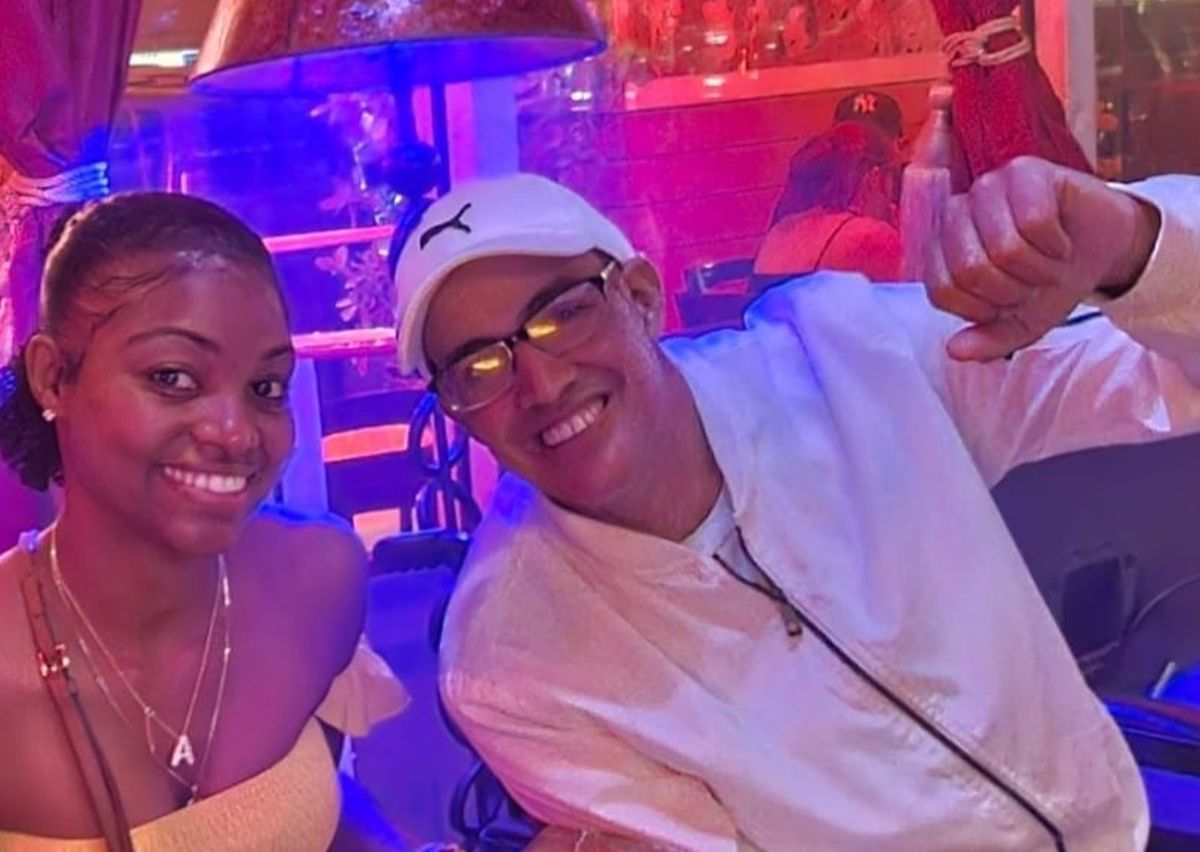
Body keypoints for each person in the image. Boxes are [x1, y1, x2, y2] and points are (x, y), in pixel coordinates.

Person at [388, 153, 1200, 851]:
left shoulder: (848, 354)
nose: (540, 383)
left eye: (562, 313)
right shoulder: (512, 665)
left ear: (640, 295)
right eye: (478, 367)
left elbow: (1159, 371)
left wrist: (1130, 241)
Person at [0, 193, 408, 851]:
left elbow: (309, 809)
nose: (236, 433)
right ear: (52, 378)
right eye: (174, 377)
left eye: (265, 388)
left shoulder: (317, 579)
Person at [752, 120, 903, 287]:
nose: (892, 199)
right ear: (875, 178)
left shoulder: (781, 228)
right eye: (893, 180)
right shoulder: (871, 236)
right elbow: (915, 296)